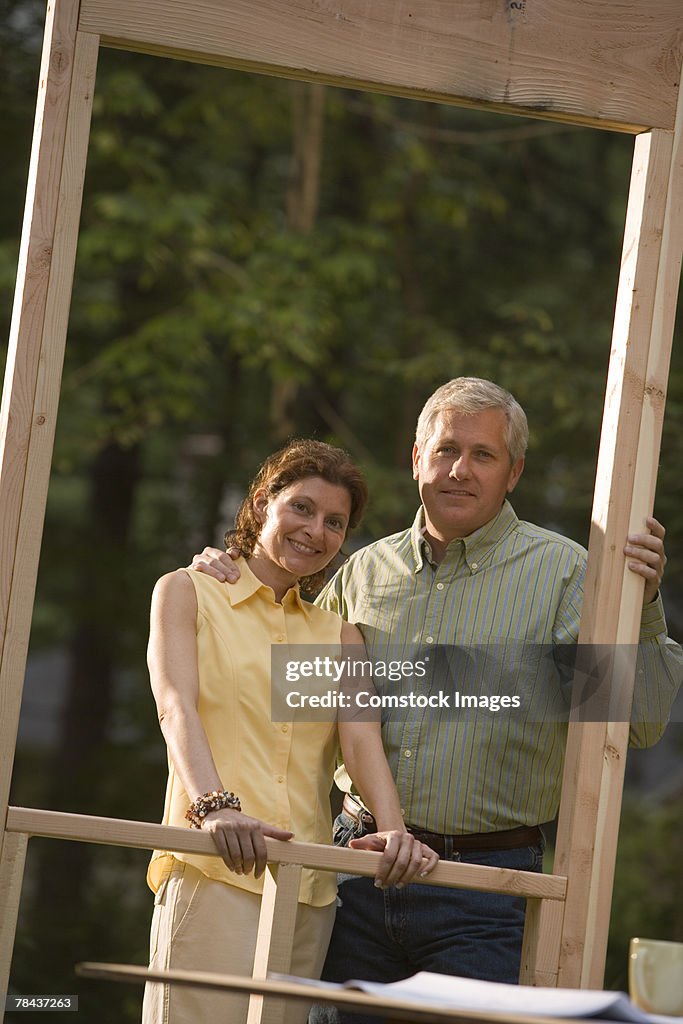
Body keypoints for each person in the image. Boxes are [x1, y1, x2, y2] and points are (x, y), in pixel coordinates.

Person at [190, 379, 683, 1014]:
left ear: (514, 473)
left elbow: (636, 726)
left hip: (484, 888)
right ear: (417, 456)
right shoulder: (361, 574)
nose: (460, 470)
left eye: (483, 455)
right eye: (446, 449)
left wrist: (640, 608)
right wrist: (231, 578)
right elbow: (282, 701)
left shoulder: (569, 574)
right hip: (353, 872)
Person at [142, 438, 438, 1024]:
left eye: (335, 521)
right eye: (301, 508)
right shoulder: (189, 592)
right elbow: (177, 706)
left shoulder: (336, 634)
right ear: (262, 503)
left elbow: (360, 740)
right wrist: (215, 808)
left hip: (307, 890)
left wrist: (396, 830)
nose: (315, 530)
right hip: (214, 869)